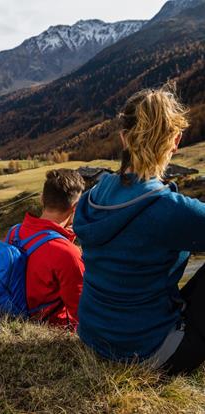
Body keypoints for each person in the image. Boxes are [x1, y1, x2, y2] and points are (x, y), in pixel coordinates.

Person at [73, 87, 205, 375]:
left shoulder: (93, 195)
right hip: (148, 352)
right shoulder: (168, 208)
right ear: (176, 141)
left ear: (123, 138)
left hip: (93, 336)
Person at [5, 169, 85, 329]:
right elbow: (82, 312)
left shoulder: (14, 232)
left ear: (42, 199)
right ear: (75, 207)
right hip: (52, 330)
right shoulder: (68, 253)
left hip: (11, 320)